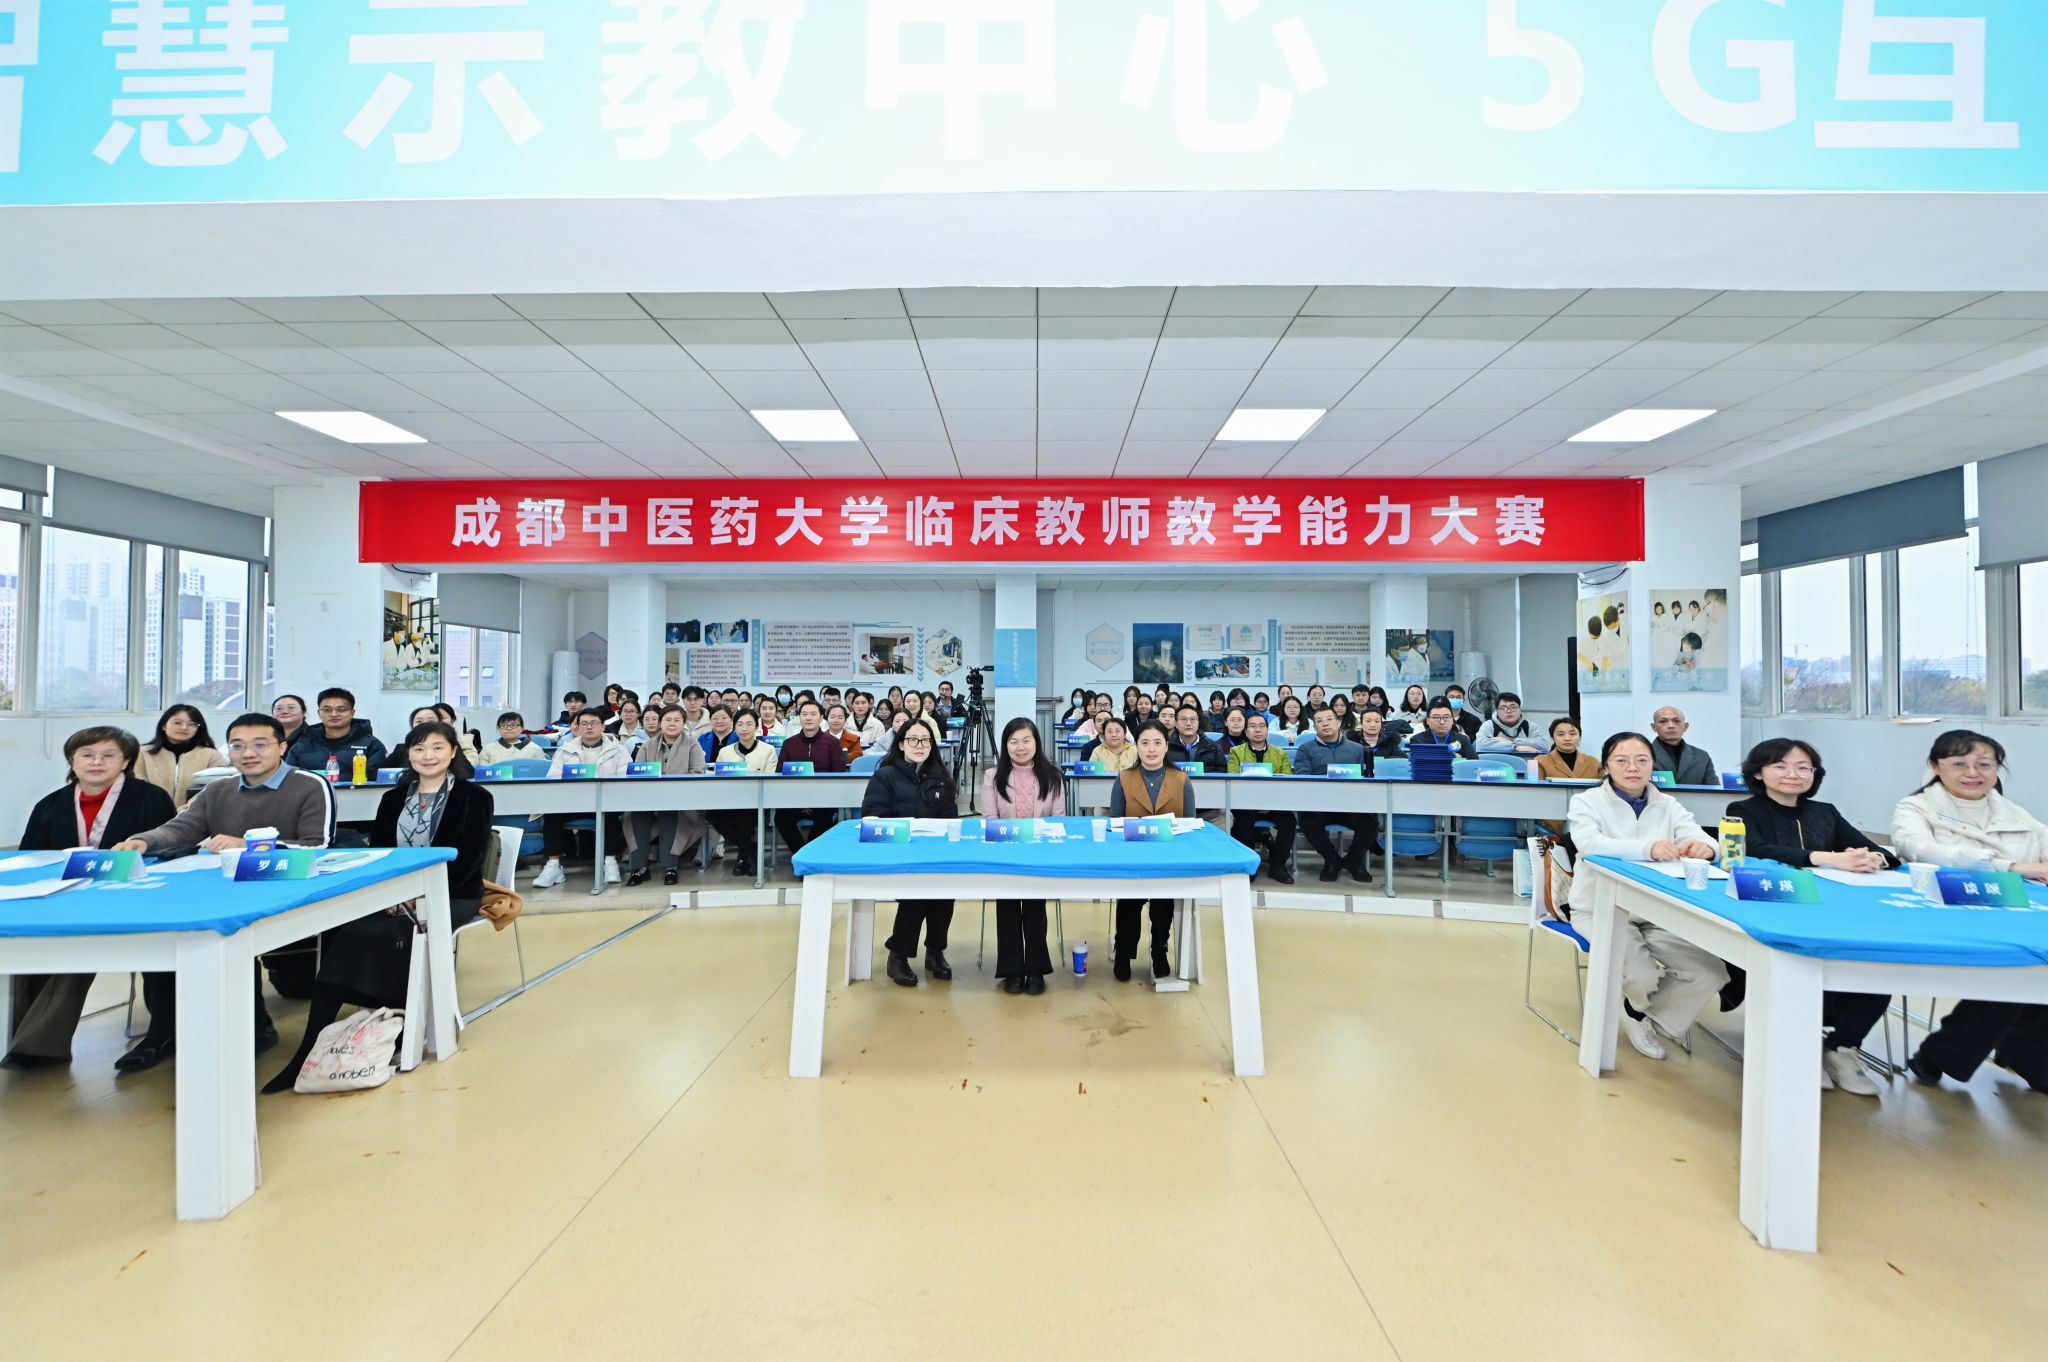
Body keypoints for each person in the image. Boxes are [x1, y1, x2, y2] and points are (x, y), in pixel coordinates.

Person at [262, 721, 495, 1094]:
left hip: (452, 893)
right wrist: (393, 895)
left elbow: (468, 860)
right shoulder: (393, 798)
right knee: (343, 929)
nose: (428, 756)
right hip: (395, 895)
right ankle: (311, 1045)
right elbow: (382, 854)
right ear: (409, 754)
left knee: (391, 932)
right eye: (419, 748)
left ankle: (400, 1025)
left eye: (437, 747)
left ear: (453, 752)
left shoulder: (475, 797)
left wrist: (418, 894)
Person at [111, 713, 337, 1074]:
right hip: (222, 888)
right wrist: (143, 841)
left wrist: (249, 845)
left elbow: (317, 846)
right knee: (169, 927)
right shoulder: (218, 790)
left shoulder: (309, 784)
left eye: (260, 744)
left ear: (282, 747)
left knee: (228, 932)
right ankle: (164, 1031)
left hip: (283, 890)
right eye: (238, 745)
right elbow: (180, 829)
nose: (248, 753)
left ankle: (254, 1028)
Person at [1719, 738, 1896, 1096]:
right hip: (1775, 909)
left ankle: (1843, 1047)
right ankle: (1798, 1041)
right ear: (1759, 773)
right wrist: (1824, 857)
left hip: (1832, 911)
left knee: (1881, 957)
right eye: (1780, 766)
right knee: (1798, 962)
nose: (1793, 774)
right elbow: (1754, 849)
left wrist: (1873, 858)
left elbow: (1877, 850)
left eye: (1804, 768)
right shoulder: (1744, 809)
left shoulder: (1825, 812)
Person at [4, 727, 177, 1071]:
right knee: (27, 937)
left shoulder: (150, 798)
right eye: (87, 755)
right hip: (64, 896)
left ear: (125, 761)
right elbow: (30, 857)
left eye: (108, 755)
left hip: (132, 898)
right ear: (72, 761)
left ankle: (39, 1046)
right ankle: (24, 1039)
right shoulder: (50, 805)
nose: (97, 761)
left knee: (76, 939)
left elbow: (171, 849)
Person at [1893, 730, 2048, 1091]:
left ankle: (2016, 1048)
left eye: (1984, 764)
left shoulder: (2014, 812)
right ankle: (1949, 1054)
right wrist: (2011, 867)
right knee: (2016, 967)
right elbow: (1921, 849)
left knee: (2036, 965)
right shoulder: (1915, 808)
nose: (1972, 773)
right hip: (1952, 911)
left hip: (2021, 912)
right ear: (1935, 766)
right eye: (1959, 764)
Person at [1564, 732, 1726, 1061]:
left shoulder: (1668, 805)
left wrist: (1707, 848)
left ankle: (1643, 1014)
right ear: (1606, 766)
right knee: (1642, 976)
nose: (1633, 768)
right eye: (1621, 760)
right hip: (1599, 909)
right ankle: (1641, 1010)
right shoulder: (1587, 801)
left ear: (1653, 765)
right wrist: (1647, 849)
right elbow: (1589, 844)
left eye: (1642, 760)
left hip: (1656, 912)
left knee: (1709, 971)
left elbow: (1702, 837)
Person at [863, 723, 959, 987]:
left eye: (925, 740)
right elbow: (873, 819)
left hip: (933, 855)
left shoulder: (940, 776)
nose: (920, 746)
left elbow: (950, 818)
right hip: (898, 855)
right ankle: (898, 955)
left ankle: (935, 952)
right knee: (918, 890)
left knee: (944, 891)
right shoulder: (885, 775)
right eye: (913, 740)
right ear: (901, 744)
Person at [980, 719, 1064, 995]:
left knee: (1035, 907)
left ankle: (1037, 969)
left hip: (1039, 854)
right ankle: (1011, 970)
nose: (1020, 747)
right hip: (1004, 853)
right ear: (1005, 745)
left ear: (1036, 742)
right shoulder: (993, 776)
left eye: (1026, 740)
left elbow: (1058, 820)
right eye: (1013, 741)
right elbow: (989, 818)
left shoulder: (1053, 776)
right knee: (1007, 907)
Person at [1108, 722, 1193, 980]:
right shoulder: (1123, 778)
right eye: (1145, 743)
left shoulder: (1181, 779)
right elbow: (1115, 826)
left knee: (1163, 904)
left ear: (1166, 746)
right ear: (1137, 747)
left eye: (1157, 743)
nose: (1151, 749)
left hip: (1168, 859)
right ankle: (1124, 951)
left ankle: (1159, 949)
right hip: (1132, 858)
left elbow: (1189, 826)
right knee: (1128, 905)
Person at [531, 710, 629, 890]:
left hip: (605, 801)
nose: (589, 727)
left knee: (610, 813)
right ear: (577, 727)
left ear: (603, 726)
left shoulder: (618, 750)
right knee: (551, 814)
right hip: (572, 802)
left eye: (593, 723)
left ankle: (610, 862)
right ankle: (553, 866)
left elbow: (625, 778)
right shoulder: (565, 750)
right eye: (584, 723)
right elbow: (553, 778)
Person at [622, 705, 708, 887]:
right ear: (660, 722)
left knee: (670, 814)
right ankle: (639, 868)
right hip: (649, 799)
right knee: (636, 814)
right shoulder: (647, 746)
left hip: (682, 799)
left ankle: (670, 867)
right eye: (668, 720)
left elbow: (697, 773)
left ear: (683, 723)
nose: (672, 724)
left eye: (677, 720)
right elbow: (638, 773)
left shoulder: (693, 745)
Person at [1292, 705, 1373, 883]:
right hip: (1320, 804)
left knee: (1370, 822)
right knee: (1307, 820)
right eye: (1319, 721)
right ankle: (1331, 859)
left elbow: (1366, 777)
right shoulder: (1305, 749)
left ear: (1338, 723)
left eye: (1329, 719)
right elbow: (1302, 774)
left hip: (1351, 804)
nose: (1325, 724)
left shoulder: (1357, 748)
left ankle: (1354, 860)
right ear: (1315, 727)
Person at [775, 699, 850, 857]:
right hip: (794, 800)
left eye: (813, 714)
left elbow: (838, 774)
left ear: (821, 717)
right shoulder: (789, 744)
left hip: (824, 799)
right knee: (781, 818)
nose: (808, 718)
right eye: (804, 714)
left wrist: (815, 799)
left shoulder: (832, 743)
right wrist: (801, 801)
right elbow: (781, 775)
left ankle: (807, 856)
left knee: (826, 817)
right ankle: (804, 855)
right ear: (799, 718)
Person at [1227, 712, 1296, 885]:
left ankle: (1278, 865)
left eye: (1261, 726)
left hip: (1274, 803)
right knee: (1243, 820)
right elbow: (1234, 780)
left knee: (1289, 821)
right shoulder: (1236, 752)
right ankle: (1250, 864)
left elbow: (1286, 782)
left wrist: (1269, 803)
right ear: (1246, 731)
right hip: (1246, 803)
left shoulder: (1280, 753)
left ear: (1267, 730)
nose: (1257, 730)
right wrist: (1255, 803)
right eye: (1252, 726)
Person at [709, 709, 777, 877]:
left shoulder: (768, 750)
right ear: (734, 727)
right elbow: (718, 779)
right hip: (730, 798)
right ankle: (750, 851)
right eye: (740, 724)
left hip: (758, 798)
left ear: (756, 727)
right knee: (711, 814)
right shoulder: (725, 752)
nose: (744, 728)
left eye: (748, 724)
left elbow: (770, 780)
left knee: (744, 814)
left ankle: (743, 857)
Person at [134, 703, 223, 808]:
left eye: (192, 724)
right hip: (150, 813)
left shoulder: (212, 755)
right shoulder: (142, 753)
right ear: (163, 725)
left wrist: (184, 812)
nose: (184, 727)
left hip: (194, 814)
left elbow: (213, 790)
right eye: (177, 723)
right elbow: (137, 787)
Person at [284, 687, 389, 775]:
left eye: (341, 709)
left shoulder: (371, 745)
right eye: (327, 710)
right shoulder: (302, 746)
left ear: (352, 712)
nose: (334, 714)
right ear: (319, 713)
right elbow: (289, 779)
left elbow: (379, 780)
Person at [1650, 707, 1716, 785]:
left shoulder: (1701, 756)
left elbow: (1714, 789)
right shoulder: (1645, 754)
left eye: (1676, 721)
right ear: (1654, 727)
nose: (1671, 726)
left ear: (1685, 726)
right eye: (1663, 721)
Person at [1475, 693, 1549, 757]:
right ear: (1497, 711)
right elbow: (1481, 744)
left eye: (1513, 707)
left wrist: (1510, 740)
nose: (1509, 711)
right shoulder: (1489, 725)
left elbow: (1544, 745)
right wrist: (1515, 747)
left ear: (1520, 710)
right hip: (1497, 764)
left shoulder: (1529, 726)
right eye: (1503, 708)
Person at [1407, 698, 1476, 759]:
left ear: (1452, 720)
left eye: (1446, 717)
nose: (1442, 722)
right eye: (1436, 717)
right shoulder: (1417, 740)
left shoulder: (1462, 740)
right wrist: (1454, 755)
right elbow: (1419, 761)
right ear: (1427, 720)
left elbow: (1474, 762)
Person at [1168, 704, 1228, 773]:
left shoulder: (1214, 748)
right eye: (1184, 719)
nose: (1188, 723)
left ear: (1198, 723)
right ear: (1176, 723)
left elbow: (1221, 773)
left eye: (1193, 719)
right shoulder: (1166, 747)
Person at [1535, 718, 1599, 781]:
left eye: (1572, 734)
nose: (1567, 738)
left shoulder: (1593, 762)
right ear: (1553, 738)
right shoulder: (1541, 761)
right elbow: (1537, 787)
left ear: (1579, 737)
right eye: (1561, 734)